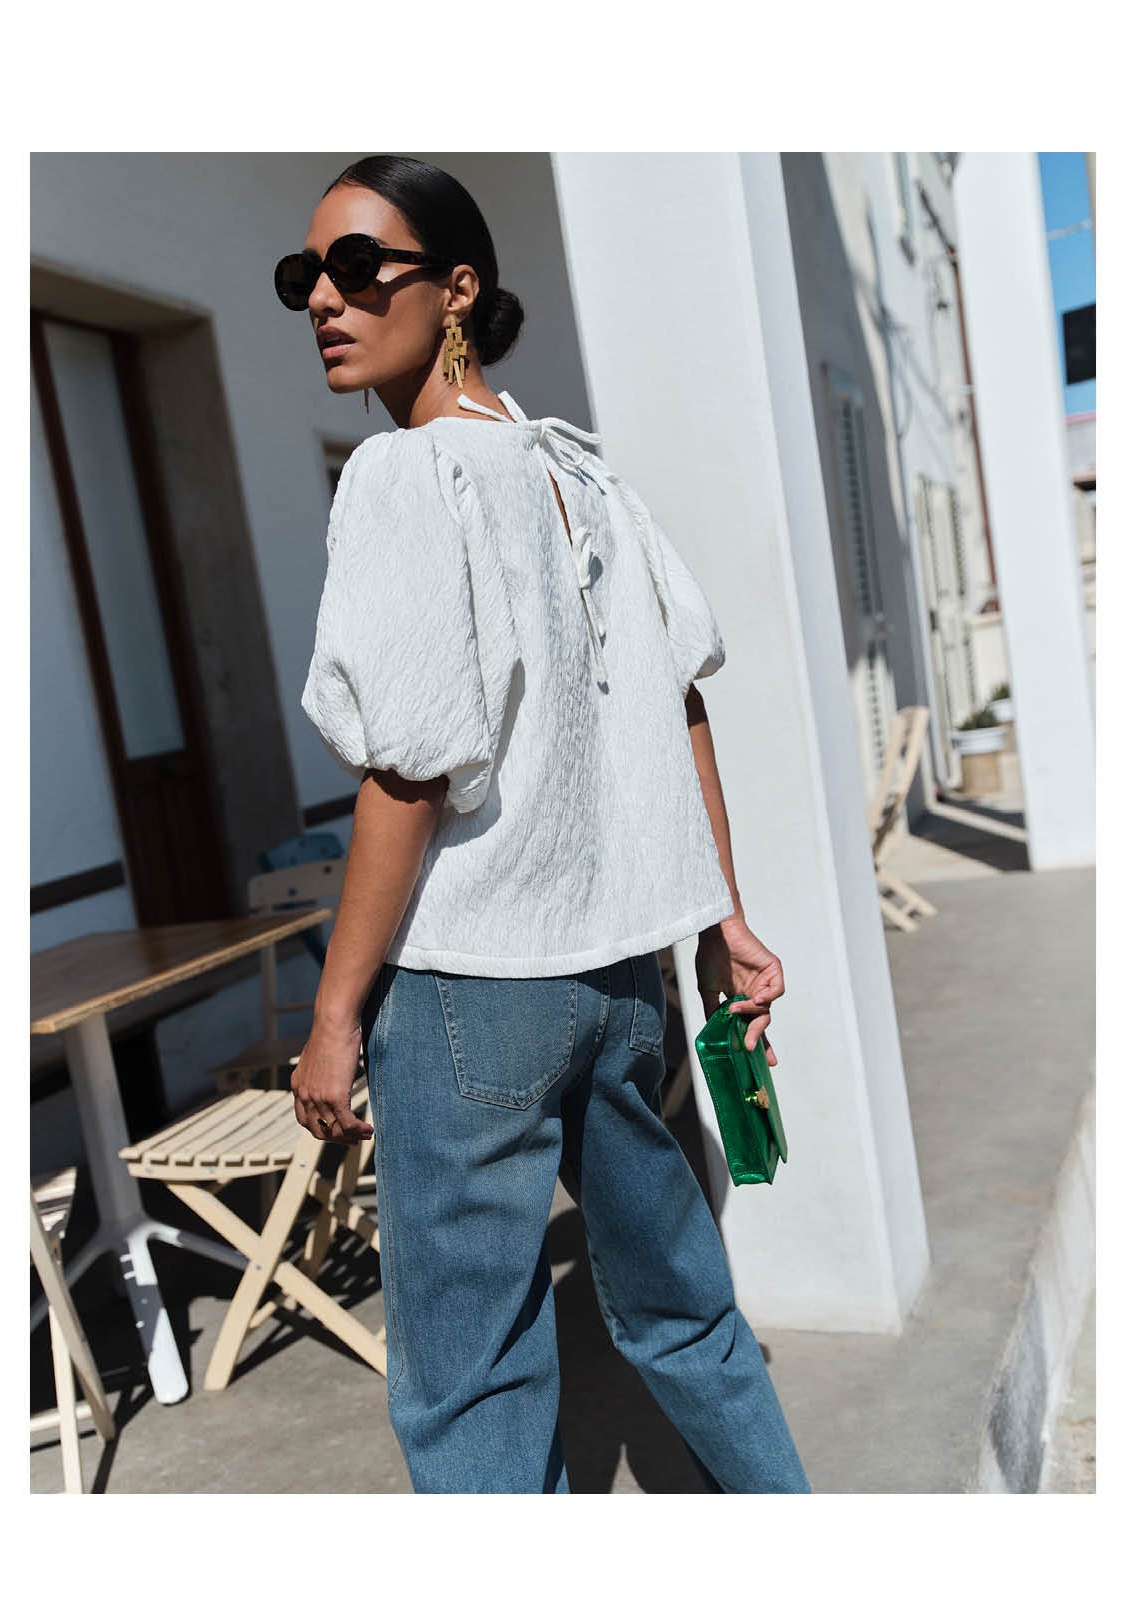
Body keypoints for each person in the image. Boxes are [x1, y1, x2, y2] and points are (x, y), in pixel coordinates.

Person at [278, 154, 812, 1494]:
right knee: (689, 1315)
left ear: (457, 288)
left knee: (472, 1388)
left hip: (468, 991)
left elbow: (411, 773)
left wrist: (335, 1015)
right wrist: (722, 920)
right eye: (305, 278)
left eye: (359, 268)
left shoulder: (406, 477)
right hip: (621, 983)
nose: (326, 301)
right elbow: (678, 703)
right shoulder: (586, 479)